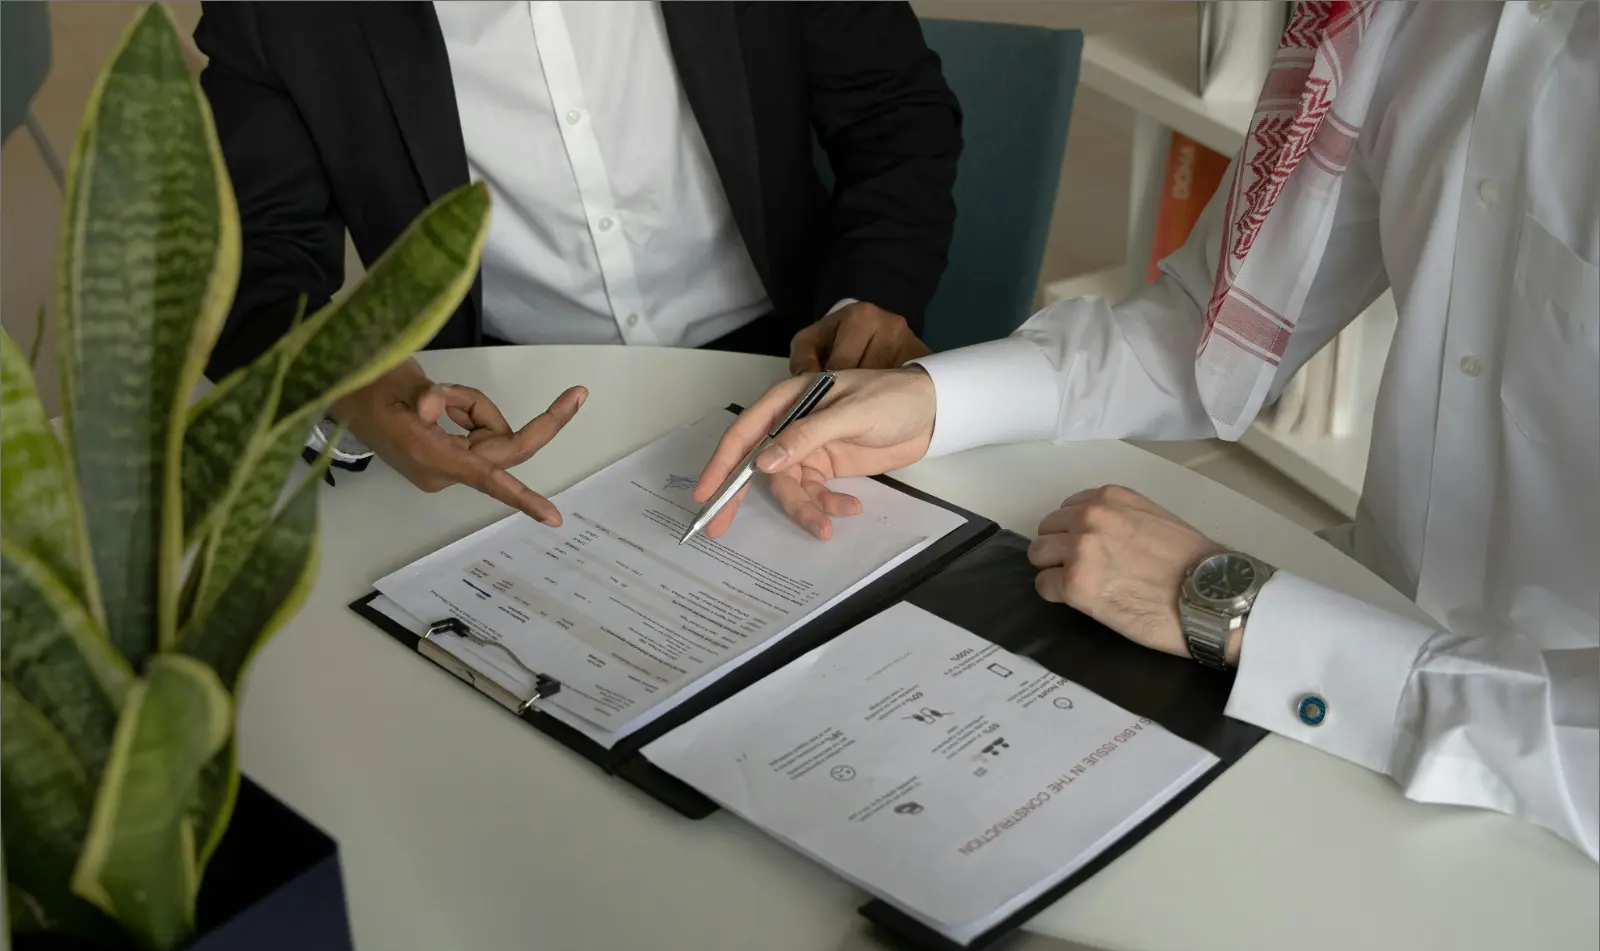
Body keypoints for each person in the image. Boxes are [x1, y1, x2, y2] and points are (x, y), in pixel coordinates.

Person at [695, 0, 1599, 860]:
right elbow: (1208, 332)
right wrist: (933, 401)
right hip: (1347, 639)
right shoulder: (1407, 19)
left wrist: (1237, 610)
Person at [193, 0, 961, 522]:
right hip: (501, 405)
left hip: (788, 365)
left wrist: (868, 295)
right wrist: (350, 380)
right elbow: (257, 257)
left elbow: (894, 113)